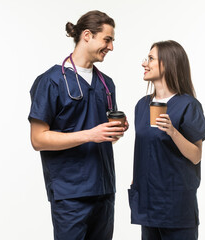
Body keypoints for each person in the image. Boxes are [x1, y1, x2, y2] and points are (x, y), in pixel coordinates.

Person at [28, 10, 128, 240]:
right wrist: (90, 134)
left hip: (104, 190)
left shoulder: (106, 84)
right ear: (86, 35)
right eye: (107, 39)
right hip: (70, 194)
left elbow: (100, 129)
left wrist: (116, 130)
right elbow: (38, 139)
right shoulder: (52, 81)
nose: (111, 47)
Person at [128, 40, 205, 240]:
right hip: (148, 205)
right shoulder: (142, 105)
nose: (144, 63)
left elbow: (196, 156)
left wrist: (173, 132)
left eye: (150, 59)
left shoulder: (188, 105)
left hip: (176, 208)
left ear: (167, 63)